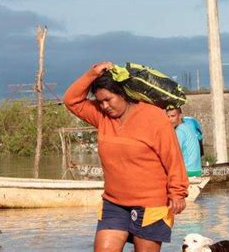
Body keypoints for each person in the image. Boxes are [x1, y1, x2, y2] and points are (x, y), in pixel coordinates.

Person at [63, 61, 189, 252]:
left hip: (151, 204)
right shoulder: (101, 116)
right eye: (100, 101)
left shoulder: (154, 118)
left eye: (109, 99)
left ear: (122, 94)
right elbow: (71, 100)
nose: (104, 106)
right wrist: (92, 73)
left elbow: (173, 158)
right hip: (114, 203)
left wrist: (178, 192)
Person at [166, 106, 202, 177]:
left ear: (180, 115)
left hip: (187, 171)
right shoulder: (188, 126)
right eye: (168, 117)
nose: (170, 119)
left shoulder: (179, 131)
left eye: (173, 116)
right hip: (197, 170)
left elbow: (174, 154)